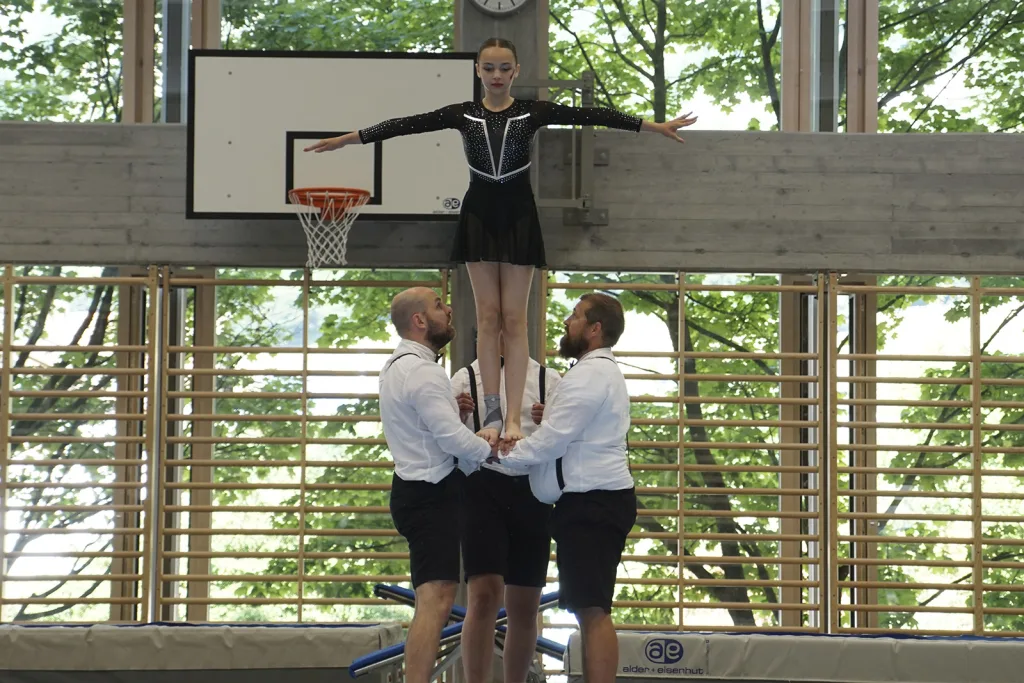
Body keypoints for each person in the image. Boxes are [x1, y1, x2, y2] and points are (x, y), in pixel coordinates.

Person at [304, 37, 697, 456]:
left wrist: (653, 126)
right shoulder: (462, 114)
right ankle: (492, 413)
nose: (496, 76)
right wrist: (348, 139)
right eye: (488, 68)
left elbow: (591, 114)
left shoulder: (533, 110)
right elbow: (407, 124)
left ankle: (513, 416)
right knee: (487, 318)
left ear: (516, 71)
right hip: (478, 214)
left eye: (504, 68)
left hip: (518, 215)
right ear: (477, 70)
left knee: (515, 319)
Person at [495, 293, 635, 683]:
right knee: (587, 608)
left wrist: (497, 457)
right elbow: (568, 429)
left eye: (575, 317)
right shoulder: (590, 374)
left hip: (594, 503)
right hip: (592, 502)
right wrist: (551, 413)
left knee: (592, 610)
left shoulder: (590, 375)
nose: (566, 323)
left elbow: (553, 441)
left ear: (594, 329)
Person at [378, 287, 495, 683]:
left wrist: (452, 410)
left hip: (415, 487)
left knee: (436, 600)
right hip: (430, 494)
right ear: (420, 321)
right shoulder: (424, 371)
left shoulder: (399, 366)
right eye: (439, 305)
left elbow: (426, 427)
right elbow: (451, 442)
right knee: (435, 601)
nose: (448, 310)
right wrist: (490, 447)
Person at [450, 336, 562, 683]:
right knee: (483, 596)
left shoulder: (550, 380)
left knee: (525, 603)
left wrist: (550, 423)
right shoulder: (464, 378)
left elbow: (567, 436)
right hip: (483, 487)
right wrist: (459, 414)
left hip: (531, 489)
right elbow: (443, 434)